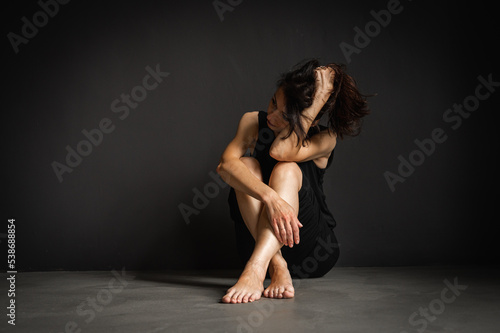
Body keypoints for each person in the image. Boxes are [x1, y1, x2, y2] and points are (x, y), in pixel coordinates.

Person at [216, 59, 370, 304]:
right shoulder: (252, 121)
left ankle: (259, 268)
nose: (273, 117)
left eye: (286, 115)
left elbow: (281, 151)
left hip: (311, 248)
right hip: (256, 242)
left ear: (310, 118)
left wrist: (318, 100)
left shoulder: (325, 138)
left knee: (286, 169)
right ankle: (272, 265)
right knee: (244, 166)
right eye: (273, 103)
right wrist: (270, 198)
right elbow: (225, 167)